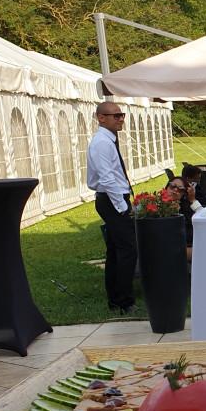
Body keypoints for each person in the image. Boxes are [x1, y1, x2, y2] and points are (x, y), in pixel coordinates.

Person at [86, 101, 136, 315]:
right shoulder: (101, 143)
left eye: (121, 115)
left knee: (116, 250)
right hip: (111, 199)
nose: (120, 119)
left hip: (114, 198)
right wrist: (122, 206)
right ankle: (123, 299)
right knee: (127, 249)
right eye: (115, 116)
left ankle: (116, 298)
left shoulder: (108, 140)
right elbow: (106, 178)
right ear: (101, 118)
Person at [164, 177, 194, 261]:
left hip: (184, 247)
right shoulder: (157, 207)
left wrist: (192, 200)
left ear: (184, 194)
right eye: (172, 186)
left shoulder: (185, 210)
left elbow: (200, 215)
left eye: (180, 189)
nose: (175, 190)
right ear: (166, 187)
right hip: (167, 249)